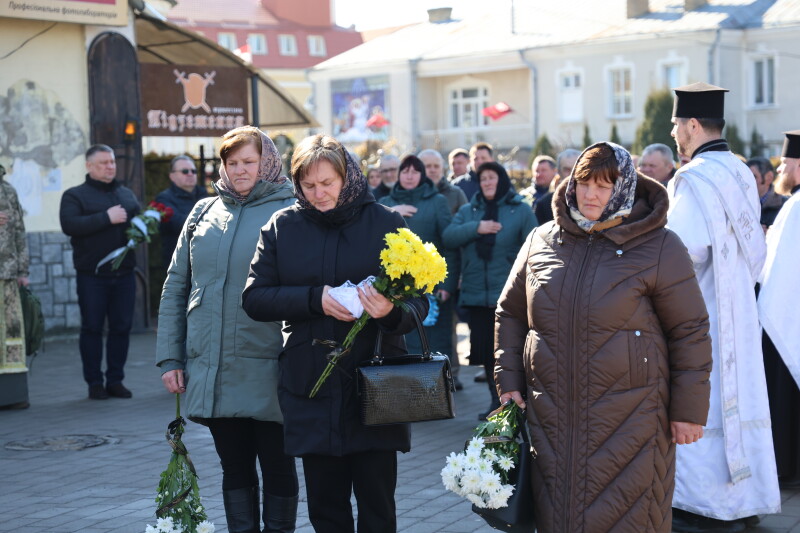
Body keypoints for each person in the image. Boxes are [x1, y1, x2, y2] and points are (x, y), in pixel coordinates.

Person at [495, 141, 712, 532]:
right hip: (551, 414)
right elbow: (510, 314)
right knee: (556, 515)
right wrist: (508, 380)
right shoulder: (542, 240)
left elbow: (690, 331)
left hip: (632, 419)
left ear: (625, 187)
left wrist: (688, 412)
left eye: (604, 185)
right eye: (584, 183)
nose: (591, 195)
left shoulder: (660, 246)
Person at [241, 134, 428, 533]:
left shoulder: (387, 223)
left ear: (349, 178)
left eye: (327, 183)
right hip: (311, 383)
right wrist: (315, 299)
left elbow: (420, 303)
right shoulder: (282, 226)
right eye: (308, 186)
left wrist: (390, 312)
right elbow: (255, 299)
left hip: (376, 385)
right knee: (326, 510)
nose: (318, 194)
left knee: (378, 506)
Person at [156, 127, 299, 533]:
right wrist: (170, 357)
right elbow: (175, 288)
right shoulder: (203, 212)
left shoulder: (290, 211)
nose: (239, 170)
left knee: (278, 465)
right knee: (233, 466)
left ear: (267, 162)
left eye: (248, 162)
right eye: (231, 163)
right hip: (214, 365)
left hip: (271, 365)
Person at [666, 82, 780, 531]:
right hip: (739, 307)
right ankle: (747, 498)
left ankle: (706, 504)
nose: (675, 133)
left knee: (708, 402)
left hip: (707, 311)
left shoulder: (692, 178)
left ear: (693, 125)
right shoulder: (739, 171)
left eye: (676, 125)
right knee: (744, 398)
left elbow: (682, 252)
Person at [443, 161, 537, 419]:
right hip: (476, 297)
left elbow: (534, 249)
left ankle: (521, 402)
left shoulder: (520, 210)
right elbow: (450, 236)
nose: (487, 182)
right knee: (487, 353)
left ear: (502, 180)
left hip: (509, 297)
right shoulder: (469, 210)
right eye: (483, 178)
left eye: (492, 178)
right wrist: (477, 228)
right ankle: (495, 403)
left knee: (514, 351)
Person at [59, 144, 140, 400]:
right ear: (89, 166)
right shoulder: (75, 196)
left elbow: (137, 221)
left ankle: (116, 380)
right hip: (92, 276)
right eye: (103, 163)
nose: (110, 167)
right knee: (92, 328)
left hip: (124, 274)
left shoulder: (126, 193)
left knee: (121, 327)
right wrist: (106, 217)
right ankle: (94, 383)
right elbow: (70, 225)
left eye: (112, 162)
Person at [379, 155, 460, 385]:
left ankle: (438, 390)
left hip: (430, 285)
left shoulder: (437, 201)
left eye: (415, 171)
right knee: (400, 340)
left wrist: (447, 284)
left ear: (422, 175)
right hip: (394, 285)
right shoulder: (386, 201)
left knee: (435, 340)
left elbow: (448, 244)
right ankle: (407, 390)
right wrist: (392, 210)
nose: (409, 175)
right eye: (405, 171)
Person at [758, 130, 800, 490]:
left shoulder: (797, 206)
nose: (783, 168)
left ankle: (786, 465)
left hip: (787, 315)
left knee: (785, 390)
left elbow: (779, 270)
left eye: (787, 162)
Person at [0, 164, 30, 410]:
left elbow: (19, 231)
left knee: (11, 332)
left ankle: (12, 394)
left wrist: (23, 270)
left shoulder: (7, 190)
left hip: (8, 275)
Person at [154, 155, 207, 268]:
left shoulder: (203, 195)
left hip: (205, 258)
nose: (190, 174)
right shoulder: (164, 198)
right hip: (178, 262)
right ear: (172, 176)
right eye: (184, 171)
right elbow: (178, 223)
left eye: (193, 171)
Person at [535, 149, 580, 225]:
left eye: (577, 169)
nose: (572, 174)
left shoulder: (593, 200)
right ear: (558, 171)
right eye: (567, 170)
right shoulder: (544, 205)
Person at [418, 149, 468, 215]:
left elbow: (467, 222)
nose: (433, 170)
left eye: (436, 166)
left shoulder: (456, 194)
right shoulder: (410, 193)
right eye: (428, 166)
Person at [747, 156, 787, 231]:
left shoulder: (785, 205)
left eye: (753, 177)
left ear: (769, 177)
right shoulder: (740, 204)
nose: (747, 182)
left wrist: (769, 234)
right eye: (745, 177)